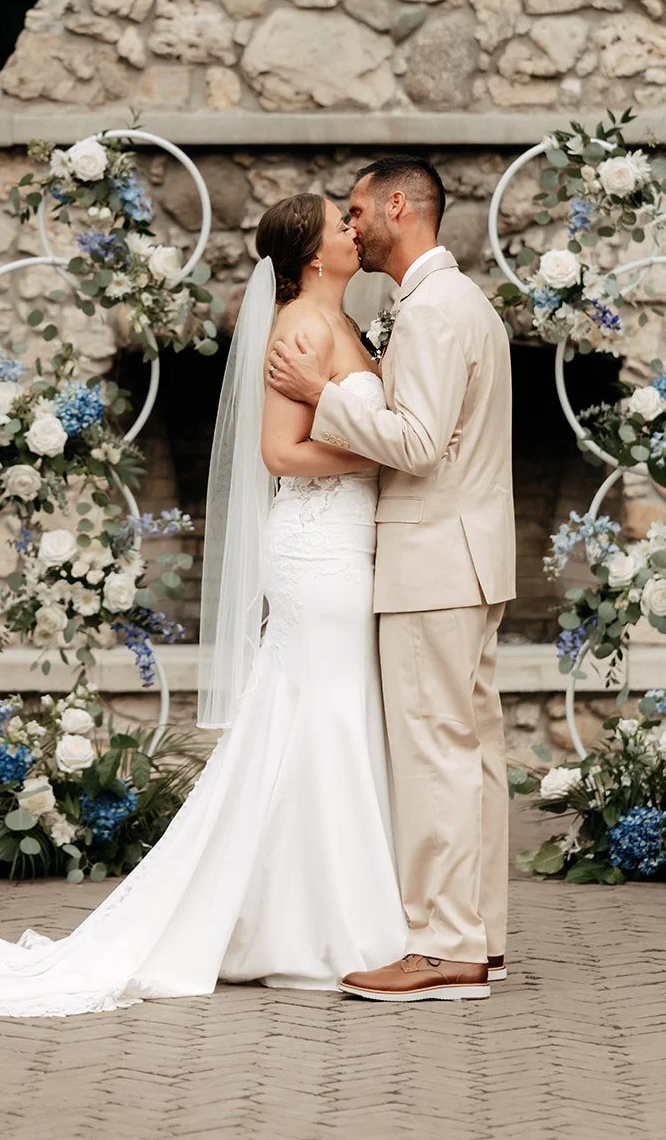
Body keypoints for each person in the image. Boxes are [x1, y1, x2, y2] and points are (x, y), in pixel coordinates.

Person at [0, 193, 409, 1017]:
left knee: (325, 712)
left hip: (342, 545)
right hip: (316, 548)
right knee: (322, 710)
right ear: (315, 256)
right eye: (341, 224)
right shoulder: (301, 330)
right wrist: (376, 459)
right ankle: (329, 929)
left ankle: (299, 916)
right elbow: (279, 451)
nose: (356, 230)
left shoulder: (345, 323)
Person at [269, 156, 515, 1003]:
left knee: (435, 752)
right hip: (461, 555)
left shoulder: (437, 309)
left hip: (434, 558)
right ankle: (478, 934)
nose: (352, 222)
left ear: (398, 206)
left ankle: (444, 944)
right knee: (469, 749)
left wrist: (324, 388)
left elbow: (412, 442)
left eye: (359, 208)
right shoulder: (448, 301)